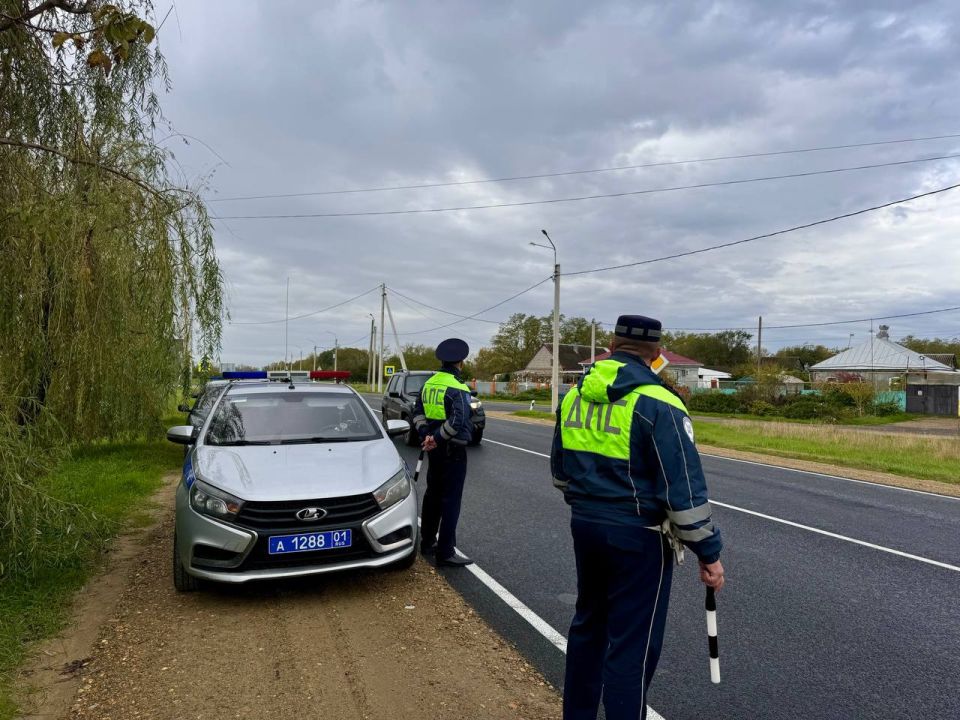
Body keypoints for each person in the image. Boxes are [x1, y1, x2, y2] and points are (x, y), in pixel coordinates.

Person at [551, 314, 725, 720]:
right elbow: (683, 491)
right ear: (657, 353)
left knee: (588, 627)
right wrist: (708, 552)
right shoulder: (660, 402)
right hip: (640, 536)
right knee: (633, 645)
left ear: (611, 347)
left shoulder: (575, 395)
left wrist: (592, 502)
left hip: (586, 525)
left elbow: (560, 472)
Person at [412, 338, 475, 567]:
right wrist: (437, 439)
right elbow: (458, 421)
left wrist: (426, 435)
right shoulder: (458, 388)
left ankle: (427, 542)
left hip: (434, 450)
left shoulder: (428, 384)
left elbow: (417, 413)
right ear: (461, 362)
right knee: (451, 501)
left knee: (432, 496)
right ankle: (446, 552)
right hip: (453, 450)